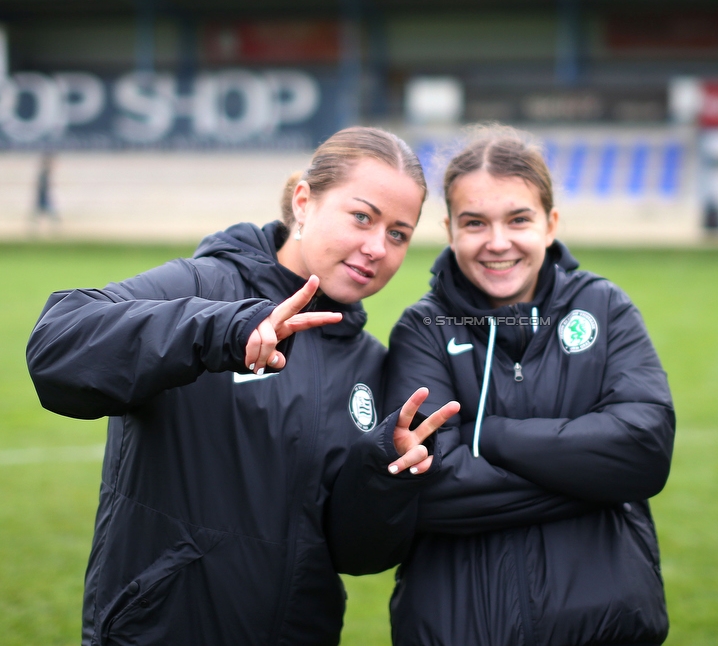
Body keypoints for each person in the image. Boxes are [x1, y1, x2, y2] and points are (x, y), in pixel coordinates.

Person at [26, 127, 459, 646]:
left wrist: (388, 475)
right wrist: (217, 331)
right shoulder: (208, 286)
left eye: (398, 234)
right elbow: (56, 345)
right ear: (304, 203)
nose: (376, 247)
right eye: (362, 217)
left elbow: (357, 554)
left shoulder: (370, 364)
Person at [383, 126, 676, 646]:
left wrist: (485, 435)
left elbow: (643, 453)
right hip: (457, 631)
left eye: (518, 219)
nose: (498, 243)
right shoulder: (420, 329)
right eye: (475, 223)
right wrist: (592, 481)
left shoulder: (605, 309)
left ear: (549, 224)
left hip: (607, 628)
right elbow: (428, 491)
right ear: (451, 230)